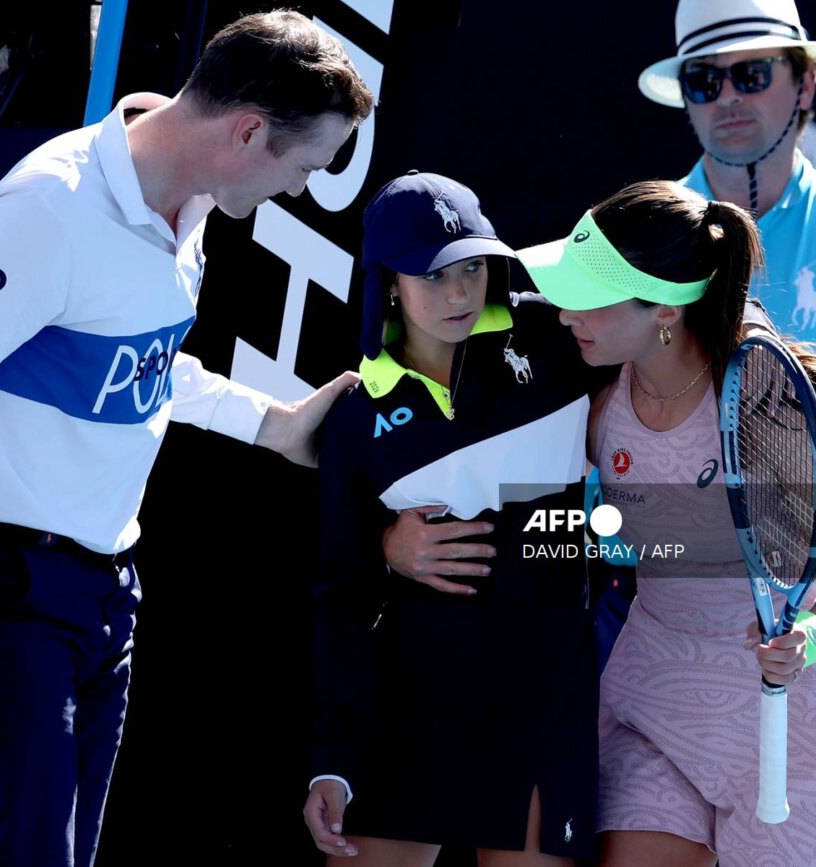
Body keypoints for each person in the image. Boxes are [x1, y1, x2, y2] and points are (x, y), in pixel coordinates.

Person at [0, 11, 373, 866]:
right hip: (4, 592)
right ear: (248, 131)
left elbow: (140, 360)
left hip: (104, 597)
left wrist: (270, 424)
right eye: (305, 166)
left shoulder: (195, 201)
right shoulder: (46, 211)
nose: (297, 189)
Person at [516, 178, 816, 866]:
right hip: (654, 697)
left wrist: (812, 638)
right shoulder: (601, 396)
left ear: (664, 307)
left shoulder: (777, 404)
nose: (563, 310)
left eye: (588, 293)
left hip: (790, 719)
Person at [605, 0, 816, 689]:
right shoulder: (632, 247)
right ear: (686, 100)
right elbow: (594, 416)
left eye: (753, 74)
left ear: (804, 85)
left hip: (813, 631)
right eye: (705, 81)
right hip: (657, 620)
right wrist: (626, 551)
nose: (728, 97)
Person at [301, 172, 599, 865]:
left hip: (546, 697)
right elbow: (340, 595)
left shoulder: (558, 340)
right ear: (389, 281)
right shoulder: (354, 418)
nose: (459, 293)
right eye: (433, 276)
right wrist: (334, 760)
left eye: (471, 268)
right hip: (413, 709)